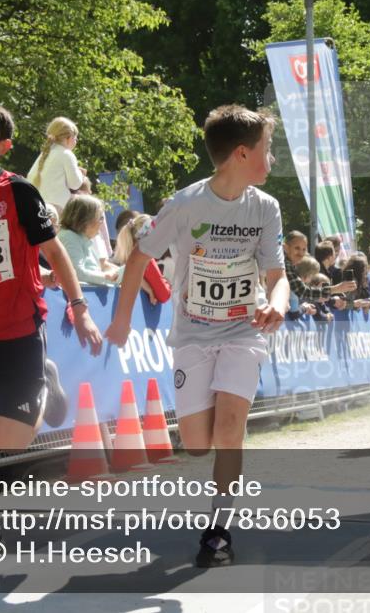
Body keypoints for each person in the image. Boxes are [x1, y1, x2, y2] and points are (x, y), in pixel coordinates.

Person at [105, 104, 289, 568]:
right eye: (268, 150)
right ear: (243, 153)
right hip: (192, 334)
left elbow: (277, 274)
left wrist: (277, 303)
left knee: (230, 431)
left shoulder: (266, 207)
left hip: (244, 330)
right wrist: (122, 320)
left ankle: (218, 531)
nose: (272, 160)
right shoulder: (187, 203)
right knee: (198, 442)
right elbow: (139, 259)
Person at [0, 95, 103, 562]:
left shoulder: (17, 193)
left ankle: (46, 383)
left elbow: (55, 254)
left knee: (10, 439)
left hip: (17, 332)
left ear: (3, 146)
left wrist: (79, 306)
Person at [57, 194, 123, 287]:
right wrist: (107, 277)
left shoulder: (81, 238)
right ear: (86, 219)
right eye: (100, 218)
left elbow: (93, 269)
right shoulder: (69, 237)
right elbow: (77, 273)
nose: (102, 222)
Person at [26, 116, 84, 215]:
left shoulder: (44, 154)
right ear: (68, 138)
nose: (76, 141)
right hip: (57, 208)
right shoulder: (66, 154)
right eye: (75, 137)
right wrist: (81, 174)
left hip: (36, 206)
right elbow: (75, 184)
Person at [113, 213, 172, 305]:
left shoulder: (130, 255)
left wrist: (149, 288)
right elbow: (164, 295)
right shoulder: (146, 259)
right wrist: (167, 282)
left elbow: (133, 273)